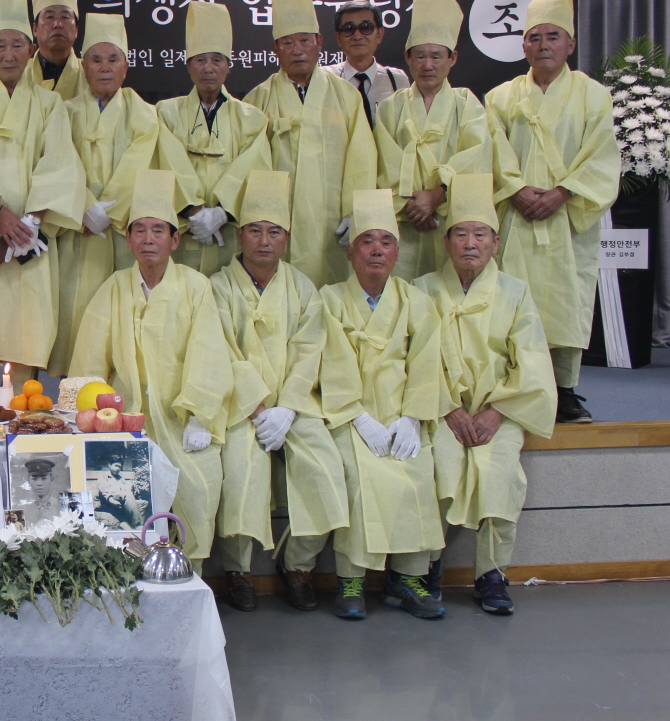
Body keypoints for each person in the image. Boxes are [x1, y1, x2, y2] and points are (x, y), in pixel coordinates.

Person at [70, 170, 234, 568]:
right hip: (122, 419)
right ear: (127, 240)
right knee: (119, 503)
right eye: (139, 230)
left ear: (175, 239)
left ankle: (187, 580)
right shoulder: (114, 286)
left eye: (158, 230)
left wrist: (200, 414)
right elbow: (89, 363)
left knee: (198, 490)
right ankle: (126, 577)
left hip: (181, 417)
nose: (148, 239)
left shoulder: (196, 288)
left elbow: (210, 352)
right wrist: (89, 413)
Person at [416, 173, 556, 615]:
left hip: (500, 410)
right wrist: (449, 409)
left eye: (480, 235)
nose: (470, 243)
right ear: (446, 242)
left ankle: (491, 573)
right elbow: (413, 362)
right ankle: (426, 565)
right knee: (438, 466)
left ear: (496, 244)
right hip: (441, 410)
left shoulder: (514, 293)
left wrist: (496, 412)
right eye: (460, 233)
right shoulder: (422, 291)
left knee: (500, 472)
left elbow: (530, 361)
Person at [210, 170, 347, 613]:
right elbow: (223, 351)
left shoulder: (303, 289)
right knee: (240, 469)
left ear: (286, 239)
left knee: (325, 467)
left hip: (294, 404)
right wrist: (256, 406)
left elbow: (310, 352)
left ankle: (299, 564)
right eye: (254, 230)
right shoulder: (217, 288)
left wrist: (287, 408)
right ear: (239, 236)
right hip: (240, 406)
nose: (264, 241)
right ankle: (239, 571)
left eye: (274, 232)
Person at [484, 0, 620, 423]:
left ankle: (564, 390)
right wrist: (517, 188)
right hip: (517, 213)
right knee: (514, 299)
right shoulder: (501, 97)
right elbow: (491, 151)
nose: (543, 45)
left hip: (565, 217)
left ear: (571, 45)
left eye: (553, 37)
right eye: (534, 37)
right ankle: (516, 382)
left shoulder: (594, 96)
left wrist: (563, 192)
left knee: (567, 300)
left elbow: (600, 155)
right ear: (522, 45)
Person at [0, 0, 86, 398]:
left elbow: (60, 162)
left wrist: (30, 222)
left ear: (30, 48)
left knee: (27, 331)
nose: (9, 55)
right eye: (0, 46)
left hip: (30, 236)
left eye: (16, 45)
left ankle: (27, 414)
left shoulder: (48, 105)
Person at [319, 189, 445, 621]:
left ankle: (408, 577)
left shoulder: (417, 302)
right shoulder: (330, 300)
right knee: (355, 473)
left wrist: (412, 417)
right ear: (351, 253)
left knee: (419, 470)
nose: (376, 250)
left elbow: (428, 365)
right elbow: (331, 366)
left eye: (385, 241)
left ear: (397, 251)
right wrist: (358, 417)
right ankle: (350, 580)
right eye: (366, 241)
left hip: (403, 412)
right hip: (351, 415)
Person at [49, 13, 191, 377]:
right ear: (83, 66)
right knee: (70, 316)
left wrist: (107, 209)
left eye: (113, 59)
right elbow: (57, 160)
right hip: (75, 231)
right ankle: (67, 401)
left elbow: (140, 162)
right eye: (96, 59)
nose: (105, 67)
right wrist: (82, 206)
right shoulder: (62, 112)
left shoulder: (145, 115)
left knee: (122, 321)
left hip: (120, 231)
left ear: (126, 66)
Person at [244, 0, 378, 288]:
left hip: (332, 221)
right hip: (280, 222)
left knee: (330, 295)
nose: (298, 50)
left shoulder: (345, 95)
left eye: (305, 40)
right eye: (288, 42)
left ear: (319, 42)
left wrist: (355, 211)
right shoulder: (257, 100)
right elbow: (251, 166)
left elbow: (362, 158)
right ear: (276, 48)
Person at [373, 0, 491, 281]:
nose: (428, 65)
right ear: (408, 58)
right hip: (405, 219)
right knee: (403, 295)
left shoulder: (467, 104)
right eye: (421, 56)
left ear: (452, 58)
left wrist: (438, 195)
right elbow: (382, 164)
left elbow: (477, 158)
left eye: (436, 56)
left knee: (448, 290)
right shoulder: (391, 107)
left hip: (451, 218)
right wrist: (413, 204)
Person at [159, 2, 272, 276]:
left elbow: (254, 167)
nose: (208, 68)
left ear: (229, 66)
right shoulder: (166, 112)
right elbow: (165, 158)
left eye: (217, 60)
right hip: (184, 229)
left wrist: (222, 212)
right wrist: (194, 211)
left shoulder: (253, 118)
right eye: (200, 60)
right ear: (188, 65)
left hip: (228, 229)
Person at [323, 0, 410, 128]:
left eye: (366, 28)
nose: (357, 36)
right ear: (338, 38)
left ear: (380, 34)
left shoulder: (397, 80)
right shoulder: (325, 78)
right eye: (348, 29)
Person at [24, 0, 84, 99]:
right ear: (35, 29)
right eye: (50, 17)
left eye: (65, 17)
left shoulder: (91, 74)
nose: (58, 24)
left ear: (76, 30)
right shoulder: (19, 73)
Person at [20, 457, 63, 524]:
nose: (39, 483)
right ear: (28, 481)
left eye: (44, 478)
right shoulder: (24, 511)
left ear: (51, 480)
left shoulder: (61, 508)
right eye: (34, 479)